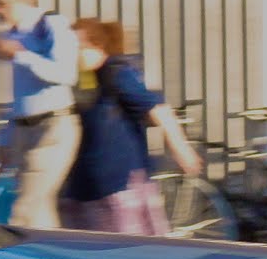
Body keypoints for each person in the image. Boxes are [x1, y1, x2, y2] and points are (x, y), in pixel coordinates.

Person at [59, 20, 201, 234]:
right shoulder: (75, 80)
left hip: (119, 185)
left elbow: (158, 109)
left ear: (98, 46)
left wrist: (181, 149)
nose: (73, 54)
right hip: (83, 186)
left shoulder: (116, 73)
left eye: (79, 47)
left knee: (129, 247)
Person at [0, 0, 81, 229]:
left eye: (1, 3)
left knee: (24, 209)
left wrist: (21, 55)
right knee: (38, 209)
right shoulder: (15, 34)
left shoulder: (49, 25)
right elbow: (22, 93)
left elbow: (66, 74)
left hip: (52, 127)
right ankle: (52, 252)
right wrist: (5, 138)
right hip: (24, 129)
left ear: (22, 0)